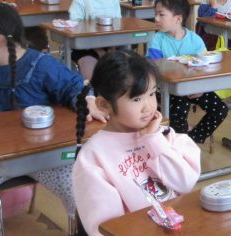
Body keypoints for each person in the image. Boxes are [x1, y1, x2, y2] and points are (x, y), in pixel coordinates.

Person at [0, 3, 107, 227]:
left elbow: (74, 86)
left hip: (42, 155)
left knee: (80, 189)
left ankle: (86, 228)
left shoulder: (41, 65)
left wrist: (90, 102)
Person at [73, 50, 200, 236]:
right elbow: (107, 229)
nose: (149, 106)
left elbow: (185, 184)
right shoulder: (93, 157)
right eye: (137, 99)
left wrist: (154, 140)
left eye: (152, 94)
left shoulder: (164, 135)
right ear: (104, 105)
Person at [145, 0, 228, 144]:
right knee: (179, 112)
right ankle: (178, 144)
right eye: (155, 14)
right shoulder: (157, 39)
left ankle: (192, 140)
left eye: (161, 15)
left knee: (220, 109)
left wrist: (200, 87)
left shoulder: (195, 40)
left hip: (194, 87)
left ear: (178, 19)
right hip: (167, 89)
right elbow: (155, 68)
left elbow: (205, 67)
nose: (156, 19)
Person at [69, 0, 121, 80]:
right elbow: (75, 28)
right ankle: (92, 98)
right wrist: (99, 51)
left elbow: (119, 26)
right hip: (86, 47)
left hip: (111, 45)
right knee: (92, 77)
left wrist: (111, 49)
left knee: (123, 72)